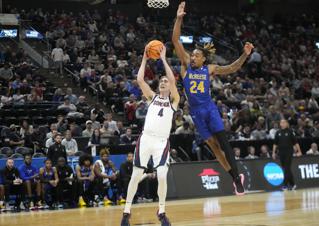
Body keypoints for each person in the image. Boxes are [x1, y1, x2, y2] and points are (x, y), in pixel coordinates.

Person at [172, 1, 253, 195]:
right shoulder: (185, 67)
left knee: (224, 143)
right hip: (196, 113)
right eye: (192, 55)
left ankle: (237, 179)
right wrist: (179, 18)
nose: (192, 57)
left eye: (196, 55)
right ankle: (235, 178)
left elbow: (232, 68)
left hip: (209, 108)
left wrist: (244, 55)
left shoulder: (210, 69)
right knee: (215, 148)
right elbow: (175, 41)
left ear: (203, 59)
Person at [121, 46, 180, 226]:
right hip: (146, 139)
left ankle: (161, 212)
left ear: (170, 85)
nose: (163, 82)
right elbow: (139, 79)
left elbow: (171, 78)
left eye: (165, 81)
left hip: (161, 143)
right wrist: (145, 59)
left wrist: (163, 59)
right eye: (161, 81)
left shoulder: (174, 101)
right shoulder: (152, 97)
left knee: (162, 175)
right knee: (136, 175)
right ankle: (126, 212)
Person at [272, 119, 302, 190]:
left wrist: (299, 151)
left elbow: (295, 142)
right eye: (281, 122)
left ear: (286, 124)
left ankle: (285, 185)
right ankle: (293, 184)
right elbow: (275, 144)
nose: (282, 123)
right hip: (281, 152)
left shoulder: (290, 131)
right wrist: (273, 152)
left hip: (289, 152)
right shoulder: (278, 132)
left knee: (287, 168)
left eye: (284, 122)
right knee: (286, 169)